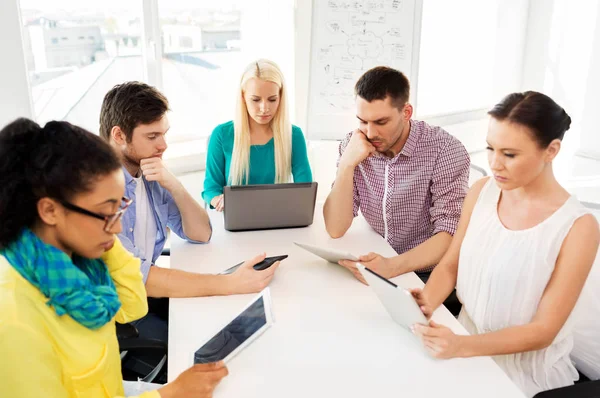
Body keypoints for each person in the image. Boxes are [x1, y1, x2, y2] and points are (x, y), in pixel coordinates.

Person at [0, 118, 229, 398]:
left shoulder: (80, 263)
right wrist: (168, 396)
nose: (118, 227)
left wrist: (105, 238)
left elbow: (133, 307)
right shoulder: (14, 321)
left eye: (119, 206)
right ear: (50, 211)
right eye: (106, 212)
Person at [409, 92, 600, 398]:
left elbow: (543, 331)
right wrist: (424, 305)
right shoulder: (483, 190)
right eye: (490, 148)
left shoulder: (579, 227)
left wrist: (462, 347)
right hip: (457, 347)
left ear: (551, 150)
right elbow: (451, 265)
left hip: (524, 375)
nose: (495, 164)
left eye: (510, 154)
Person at [100, 82, 279, 378]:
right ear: (119, 135)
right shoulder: (98, 192)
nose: (163, 145)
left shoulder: (147, 171)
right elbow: (137, 278)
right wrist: (230, 283)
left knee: (224, 320)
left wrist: (175, 184)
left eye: (164, 134)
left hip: (142, 293)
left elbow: (200, 233)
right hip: (117, 311)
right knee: (206, 336)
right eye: (152, 136)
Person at [324, 66, 470, 286]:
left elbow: (449, 234)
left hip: (428, 273)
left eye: (381, 122)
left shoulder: (445, 150)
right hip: (377, 260)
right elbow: (335, 228)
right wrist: (347, 164)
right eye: (363, 121)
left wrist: (392, 266)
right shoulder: (354, 144)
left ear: (406, 112)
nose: (371, 133)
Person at [203, 59, 313, 211]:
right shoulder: (222, 135)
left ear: (280, 97)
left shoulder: (293, 135)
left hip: (279, 220)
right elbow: (210, 189)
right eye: (255, 100)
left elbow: (304, 190)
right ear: (243, 97)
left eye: (272, 99)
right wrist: (219, 200)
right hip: (237, 221)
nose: (264, 108)